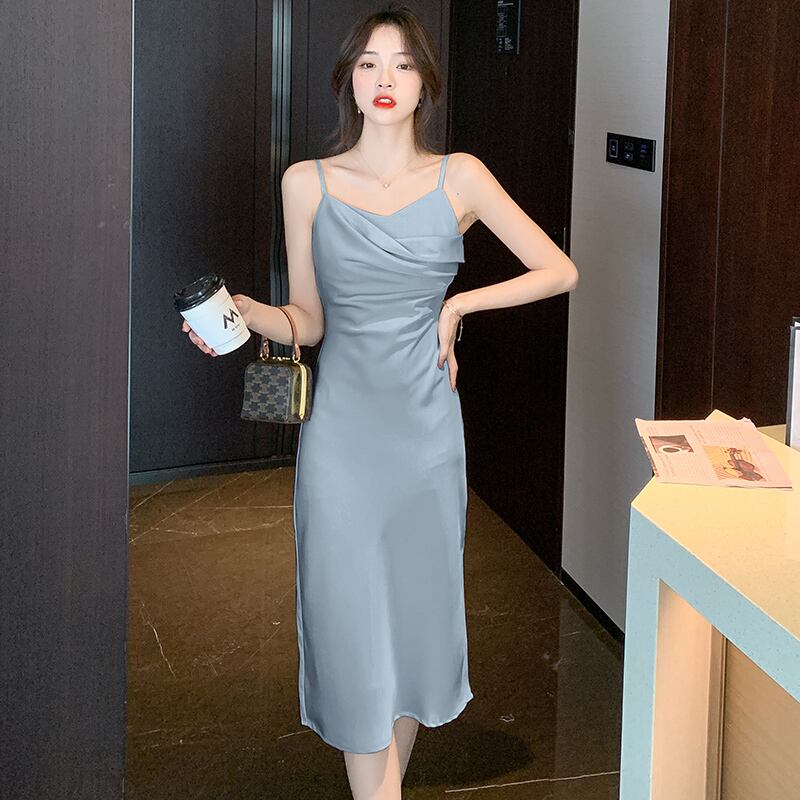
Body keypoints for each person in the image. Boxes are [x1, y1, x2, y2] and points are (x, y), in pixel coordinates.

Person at [182, 5, 578, 798]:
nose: (385, 78)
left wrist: (459, 306)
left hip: (427, 439)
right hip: (342, 440)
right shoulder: (307, 183)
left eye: (402, 64)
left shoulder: (461, 176)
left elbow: (558, 269)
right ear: (350, 82)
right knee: (351, 632)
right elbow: (309, 320)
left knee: (411, 631)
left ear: (425, 83)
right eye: (369, 64)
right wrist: (248, 315)